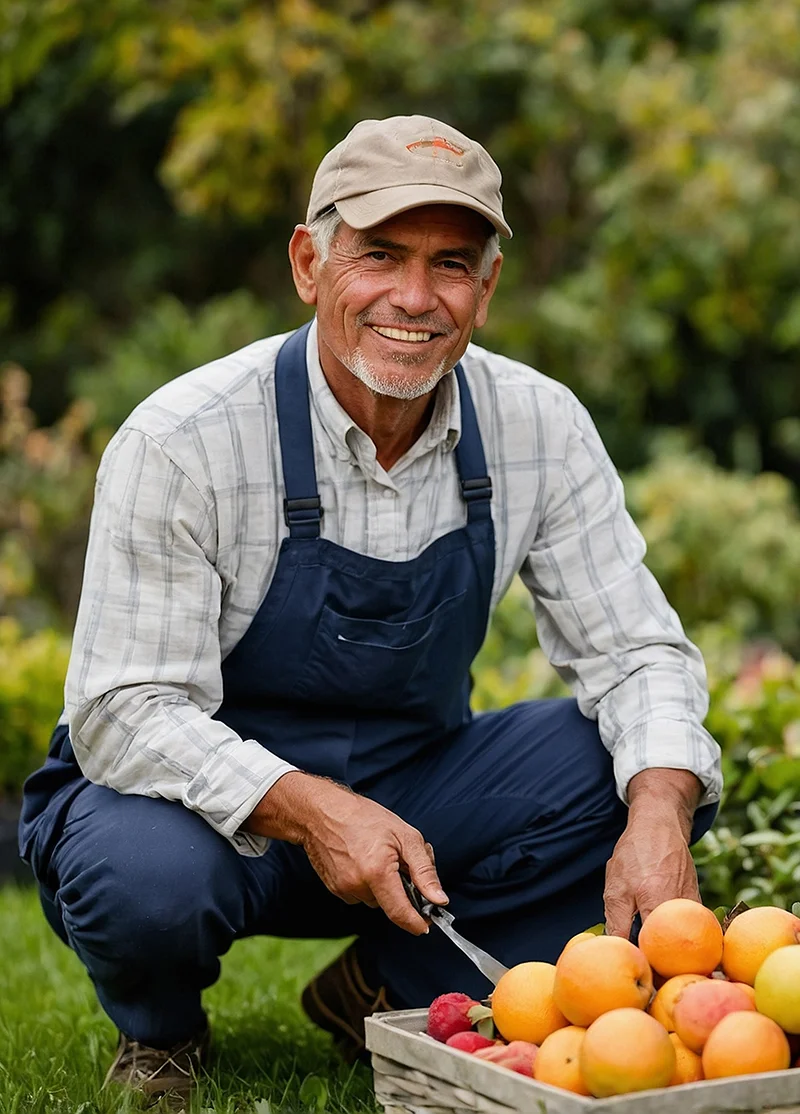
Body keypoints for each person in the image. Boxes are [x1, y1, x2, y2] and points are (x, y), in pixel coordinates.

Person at [19, 115, 721, 1107]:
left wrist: (659, 809)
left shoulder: (536, 423)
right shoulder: (185, 438)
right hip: (199, 820)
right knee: (143, 877)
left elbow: (638, 650)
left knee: (638, 764)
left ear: (486, 287)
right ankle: (163, 1035)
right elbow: (123, 708)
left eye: (450, 264)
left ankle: (384, 993)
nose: (414, 297)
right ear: (310, 263)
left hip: (413, 799)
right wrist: (311, 806)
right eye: (379, 255)